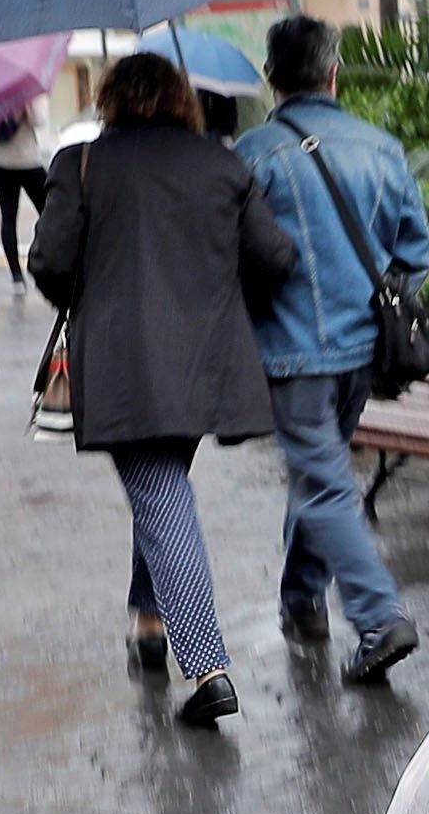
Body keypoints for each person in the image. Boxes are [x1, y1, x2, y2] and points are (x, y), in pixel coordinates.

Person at [31, 51, 299, 728]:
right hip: (205, 362)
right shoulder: (222, 163)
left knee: (160, 494)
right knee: (162, 485)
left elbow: (51, 264)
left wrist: (89, 290)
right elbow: (273, 258)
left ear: (111, 101)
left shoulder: (81, 165)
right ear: (182, 98)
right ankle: (149, 621)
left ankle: (208, 667)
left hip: (123, 365)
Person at [235, 14, 429, 685]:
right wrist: (379, 297)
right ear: (333, 74)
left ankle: (379, 618)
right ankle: (301, 601)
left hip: (294, 355)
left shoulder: (252, 154)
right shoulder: (380, 147)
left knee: (322, 486)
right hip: (363, 356)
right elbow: (417, 251)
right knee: (318, 474)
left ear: (271, 79)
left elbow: (237, 255)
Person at [0, 105, 53, 292]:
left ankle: (16, 276)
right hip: (26, 159)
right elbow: (39, 120)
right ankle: (52, 260)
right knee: (50, 211)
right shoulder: (23, 90)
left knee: (8, 217)